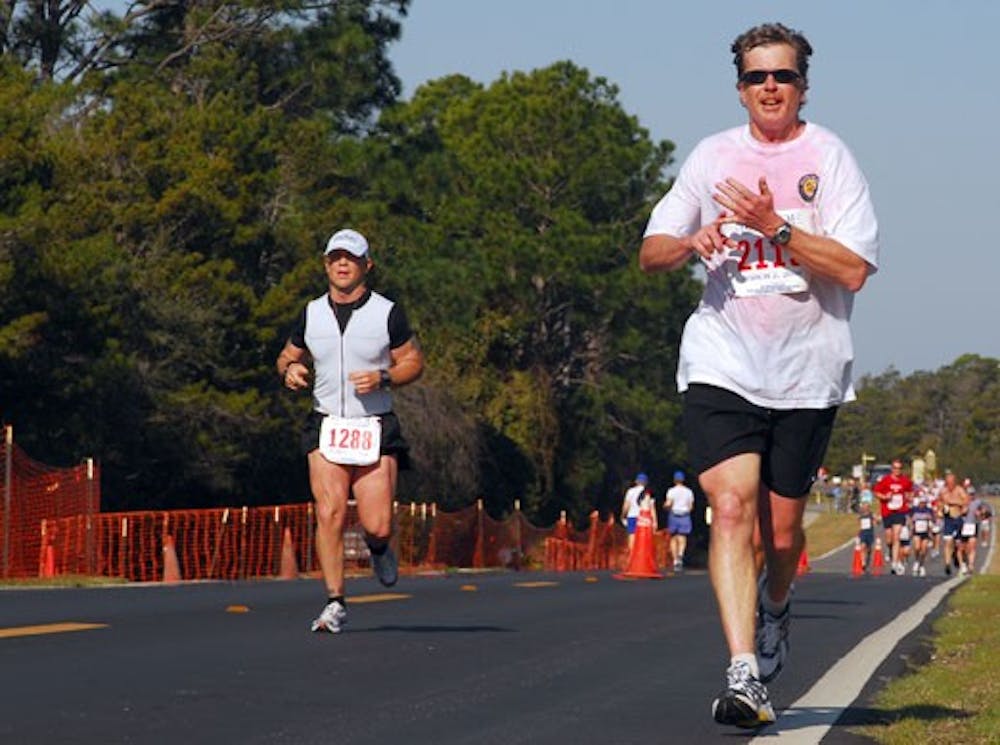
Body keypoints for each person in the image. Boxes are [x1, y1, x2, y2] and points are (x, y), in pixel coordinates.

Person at [638, 22, 878, 729]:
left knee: (781, 533)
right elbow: (650, 250)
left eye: (783, 76)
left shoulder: (829, 158)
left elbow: (854, 269)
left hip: (808, 369)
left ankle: (777, 603)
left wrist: (777, 227)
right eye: (756, 77)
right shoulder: (712, 157)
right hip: (723, 359)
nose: (769, 87)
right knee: (733, 508)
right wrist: (689, 241)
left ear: (804, 85)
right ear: (739, 87)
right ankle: (744, 671)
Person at [276, 228, 424, 633]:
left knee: (377, 523)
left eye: (351, 258)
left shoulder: (387, 312)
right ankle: (334, 602)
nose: (343, 264)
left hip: (373, 425)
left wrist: (384, 377)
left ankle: (379, 548)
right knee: (330, 512)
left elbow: (413, 360)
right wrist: (290, 369)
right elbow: (286, 355)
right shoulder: (311, 313)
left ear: (366, 266)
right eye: (335, 258)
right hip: (326, 424)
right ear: (326, 265)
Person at [873, 459, 914, 576]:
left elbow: (910, 491)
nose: (897, 471)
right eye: (895, 468)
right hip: (887, 511)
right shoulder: (885, 480)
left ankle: (894, 563)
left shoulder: (905, 481)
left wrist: (909, 497)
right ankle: (890, 550)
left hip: (900, 511)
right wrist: (885, 497)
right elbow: (876, 492)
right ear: (892, 469)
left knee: (897, 537)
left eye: (899, 468)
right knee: (889, 538)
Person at [938, 470, 969, 576]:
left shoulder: (959, 490)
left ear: (954, 482)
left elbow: (966, 501)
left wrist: (955, 503)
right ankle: (947, 564)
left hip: (957, 519)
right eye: (948, 482)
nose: (950, 485)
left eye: (952, 482)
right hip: (948, 519)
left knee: (958, 544)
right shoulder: (943, 491)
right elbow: (939, 502)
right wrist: (940, 510)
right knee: (948, 542)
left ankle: (961, 563)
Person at [664, 470, 696, 571]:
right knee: (682, 537)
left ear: (674, 480)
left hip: (674, 514)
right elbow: (691, 506)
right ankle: (680, 555)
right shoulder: (688, 491)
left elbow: (669, 503)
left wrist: (665, 507)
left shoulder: (671, 491)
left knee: (673, 537)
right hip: (685, 515)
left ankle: (675, 559)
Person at [621, 473, 650, 558]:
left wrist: (623, 515)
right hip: (644, 517)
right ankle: (642, 556)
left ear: (636, 481)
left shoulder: (630, 491)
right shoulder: (647, 492)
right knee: (643, 536)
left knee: (632, 535)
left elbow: (626, 505)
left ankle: (632, 555)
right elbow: (651, 507)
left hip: (632, 515)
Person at [909, 495, 935, 577]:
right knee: (917, 547)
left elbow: (933, 520)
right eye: (921, 503)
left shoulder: (929, 510)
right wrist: (911, 527)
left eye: (924, 503)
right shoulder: (914, 509)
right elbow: (910, 519)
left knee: (923, 550)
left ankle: (922, 565)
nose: (922, 504)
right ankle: (917, 561)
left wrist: (930, 520)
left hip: (925, 532)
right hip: (916, 531)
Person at [857, 498, 876, 573]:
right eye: (863, 506)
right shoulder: (860, 515)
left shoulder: (871, 514)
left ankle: (867, 560)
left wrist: (877, 520)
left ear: (868, 507)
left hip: (869, 533)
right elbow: (859, 524)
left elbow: (876, 521)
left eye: (866, 506)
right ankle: (863, 563)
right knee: (863, 547)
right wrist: (858, 533)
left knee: (869, 549)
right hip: (863, 533)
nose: (865, 508)